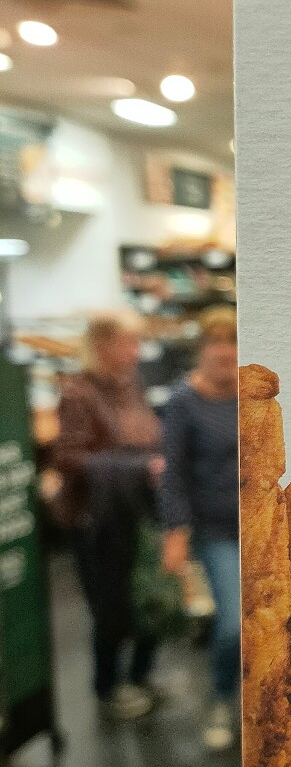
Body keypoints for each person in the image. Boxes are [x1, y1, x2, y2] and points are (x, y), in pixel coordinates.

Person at [52, 309, 163, 720]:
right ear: (103, 345)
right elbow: (67, 458)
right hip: (96, 520)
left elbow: (147, 434)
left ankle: (140, 675)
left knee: (148, 593)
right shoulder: (78, 393)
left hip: (135, 511)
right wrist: (138, 467)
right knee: (110, 604)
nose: (136, 350)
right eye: (129, 342)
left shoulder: (131, 384)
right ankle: (109, 687)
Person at [159, 306, 240, 752]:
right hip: (216, 530)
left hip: (264, 528)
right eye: (215, 342)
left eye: (232, 340)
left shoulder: (254, 392)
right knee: (232, 626)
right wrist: (176, 531)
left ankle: (266, 706)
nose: (224, 351)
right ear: (201, 349)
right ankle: (222, 699)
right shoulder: (182, 401)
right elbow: (172, 473)